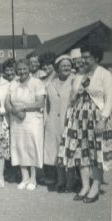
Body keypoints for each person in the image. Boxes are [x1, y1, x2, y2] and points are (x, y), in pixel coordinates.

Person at [57, 45, 112, 203]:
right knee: (80, 152)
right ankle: (85, 186)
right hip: (79, 118)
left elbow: (109, 100)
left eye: (87, 57)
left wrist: (103, 119)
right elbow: (73, 98)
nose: (84, 59)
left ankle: (96, 185)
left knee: (96, 153)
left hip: (97, 118)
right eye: (83, 56)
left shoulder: (105, 74)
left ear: (96, 58)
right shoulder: (80, 75)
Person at [5, 59, 46, 191]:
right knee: (19, 147)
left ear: (29, 69)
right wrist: (14, 111)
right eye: (19, 69)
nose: (22, 72)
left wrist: (22, 107)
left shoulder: (37, 83)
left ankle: (33, 178)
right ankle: (25, 177)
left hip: (32, 120)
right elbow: (7, 102)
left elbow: (40, 103)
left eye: (24, 69)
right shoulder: (12, 84)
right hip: (16, 120)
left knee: (31, 147)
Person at [44, 55, 75, 191]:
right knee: (56, 151)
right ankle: (60, 180)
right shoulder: (51, 83)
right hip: (53, 122)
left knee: (69, 151)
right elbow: (46, 105)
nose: (66, 68)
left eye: (68, 65)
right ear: (58, 68)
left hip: (69, 121)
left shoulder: (75, 81)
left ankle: (71, 181)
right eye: (63, 65)